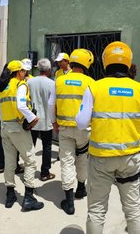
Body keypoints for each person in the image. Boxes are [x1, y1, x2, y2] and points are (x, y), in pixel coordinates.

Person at [76, 41, 140, 234]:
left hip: (101, 159)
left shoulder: (95, 88)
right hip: (130, 159)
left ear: (105, 62)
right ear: (128, 63)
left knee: (96, 210)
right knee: (133, 209)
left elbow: (81, 122)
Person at [49, 49, 95, 215]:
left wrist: (53, 122)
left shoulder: (60, 80)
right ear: (87, 63)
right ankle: (81, 188)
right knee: (82, 158)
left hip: (65, 129)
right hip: (85, 130)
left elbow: (50, 104)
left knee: (67, 161)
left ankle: (69, 203)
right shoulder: (91, 82)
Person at [0, 60, 44, 211]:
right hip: (17, 128)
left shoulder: (4, 87)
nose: (25, 73)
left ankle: (10, 194)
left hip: (5, 127)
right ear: (19, 72)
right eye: (24, 71)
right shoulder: (20, 85)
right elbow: (21, 105)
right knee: (30, 161)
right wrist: (33, 118)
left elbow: (1, 109)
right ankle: (29, 198)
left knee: (10, 162)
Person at [28, 58, 56, 181]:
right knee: (47, 147)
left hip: (32, 119)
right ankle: (45, 173)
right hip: (46, 120)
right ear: (49, 70)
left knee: (30, 146)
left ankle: (29, 170)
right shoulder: (52, 84)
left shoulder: (30, 82)